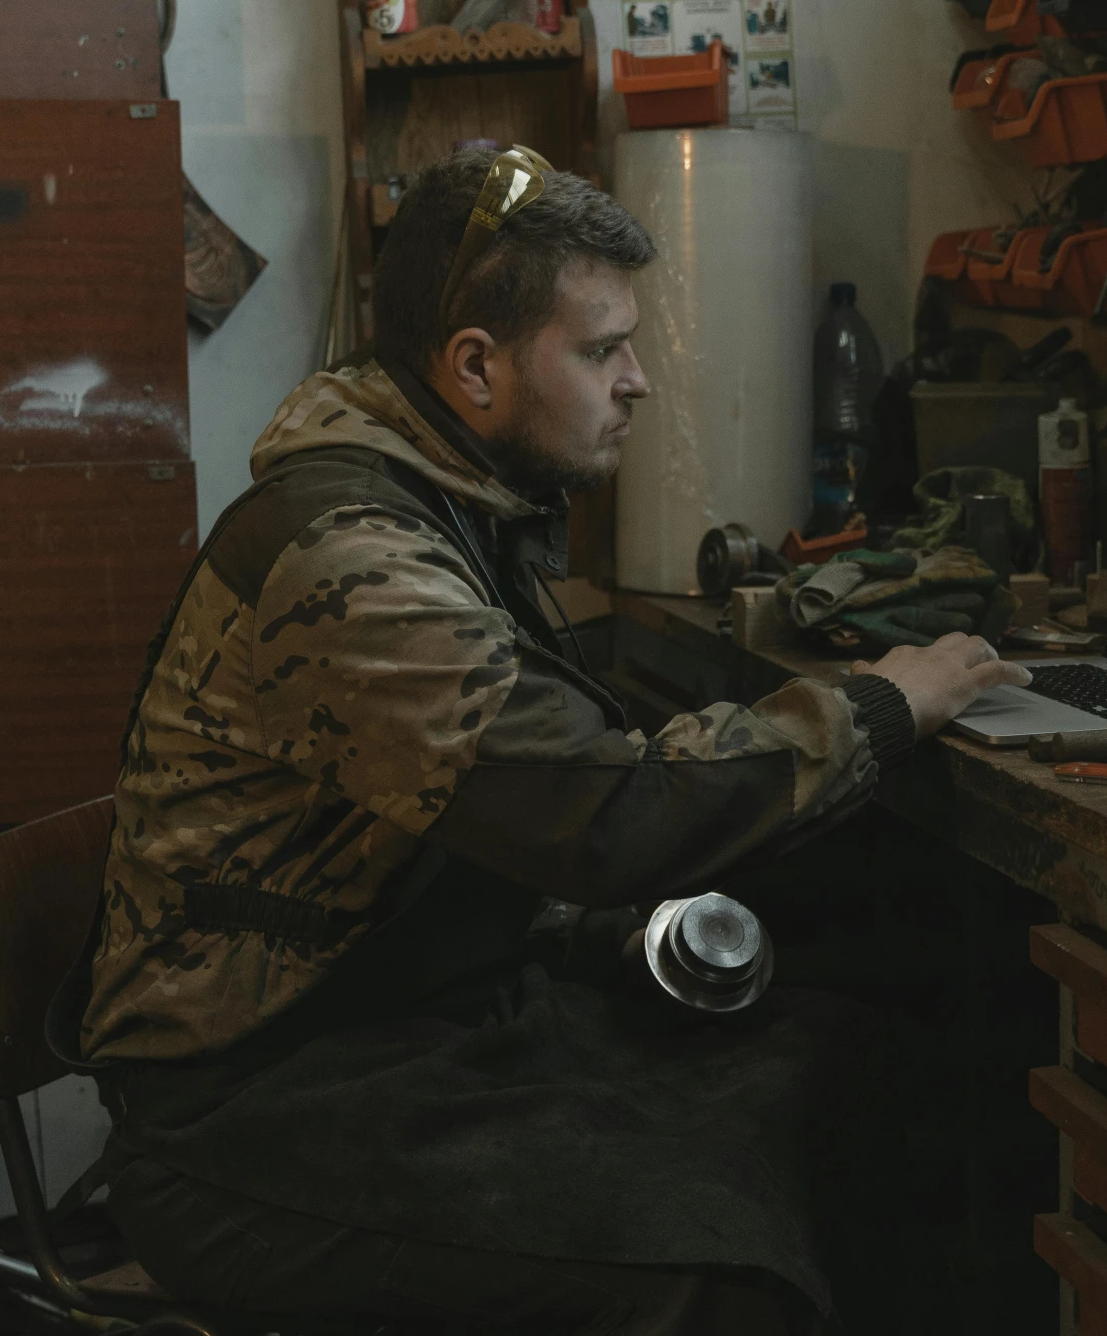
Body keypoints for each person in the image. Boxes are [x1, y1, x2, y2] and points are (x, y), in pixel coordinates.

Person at [68, 145, 1028, 1334]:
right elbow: (605, 815)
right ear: (475, 365)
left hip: (402, 1018)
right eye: (599, 349)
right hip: (249, 1104)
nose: (637, 382)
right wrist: (883, 703)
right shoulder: (354, 558)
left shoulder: (447, 501)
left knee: (865, 1079)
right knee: (727, 1280)